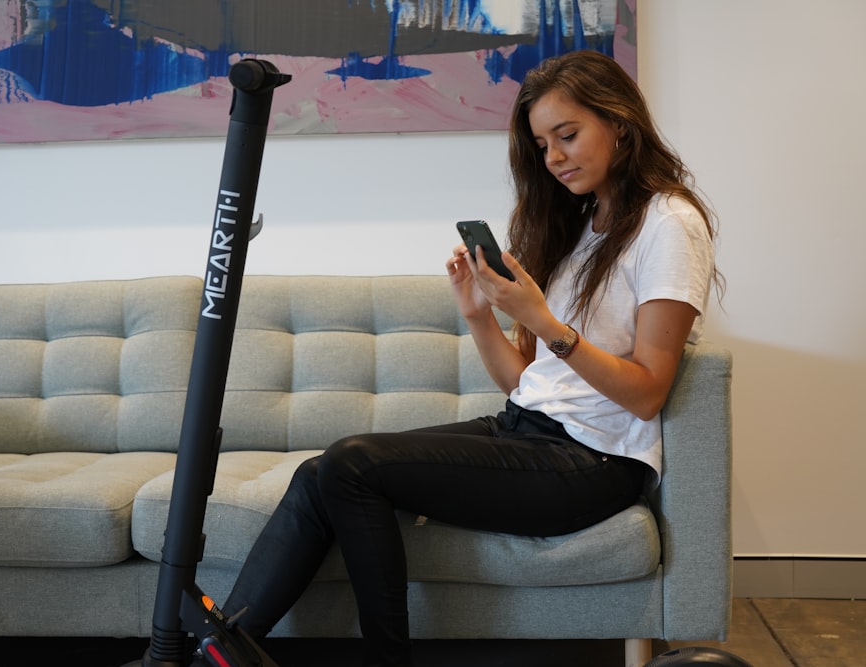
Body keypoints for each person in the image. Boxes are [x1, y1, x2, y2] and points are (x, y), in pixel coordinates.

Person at [221, 49, 719, 667]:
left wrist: (541, 318)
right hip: (529, 434)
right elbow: (523, 381)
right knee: (320, 474)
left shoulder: (670, 222)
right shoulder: (583, 225)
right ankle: (214, 655)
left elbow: (647, 391)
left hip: (593, 463)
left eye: (568, 135)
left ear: (619, 122)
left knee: (351, 462)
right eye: (542, 145)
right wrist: (479, 313)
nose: (555, 157)